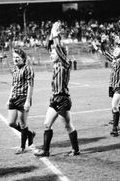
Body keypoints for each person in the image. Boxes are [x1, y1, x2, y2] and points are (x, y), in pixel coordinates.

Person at [34, 21, 80, 157]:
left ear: (59, 55)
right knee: (47, 124)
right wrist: (52, 33)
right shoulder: (55, 65)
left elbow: (58, 48)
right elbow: (51, 46)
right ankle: (46, 150)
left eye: (53, 53)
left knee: (68, 125)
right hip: (54, 98)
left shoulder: (65, 63)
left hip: (63, 99)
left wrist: (55, 34)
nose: (50, 55)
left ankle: (76, 149)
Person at [6, 48, 36, 154]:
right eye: (14, 57)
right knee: (11, 123)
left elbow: (30, 85)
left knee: (23, 123)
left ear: (23, 58)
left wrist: (28, 101)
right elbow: (13, 84)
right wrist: (9, 97)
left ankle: (23, 147)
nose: (15, 59)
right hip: (14, 98)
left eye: (17, 57)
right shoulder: (14, 69)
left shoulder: (28, 69)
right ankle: (29, 134)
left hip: (23, 98)